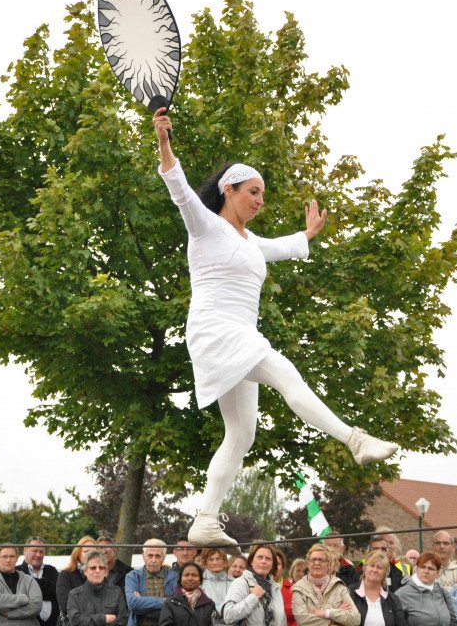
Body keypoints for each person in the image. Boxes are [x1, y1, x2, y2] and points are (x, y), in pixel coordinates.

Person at [152, 108, 399, 546]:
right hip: (217, 330)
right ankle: (354, 439)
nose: (260, 200)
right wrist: (164, 141)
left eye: (262, 193)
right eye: (254, 191)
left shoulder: (251, 242)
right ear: (229, 190)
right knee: (286, 373)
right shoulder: (206, 227)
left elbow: (282, 248)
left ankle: (205, 519)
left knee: (243, 433)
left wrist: (308, 235)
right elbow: (179, 188)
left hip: (235, 337)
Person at [291, 544, 360, 626]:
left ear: (329, 565)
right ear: (308, 564)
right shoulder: (299, 588)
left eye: (321, 560)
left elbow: (356, 619)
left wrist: (328, 613)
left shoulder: (339, 586)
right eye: (313, 560)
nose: (316, 563)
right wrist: (335, 619)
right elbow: (302, 620)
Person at [220, 543, 286, 626]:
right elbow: (228, 616)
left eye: (268, 559)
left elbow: (282, 619)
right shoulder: (241, 583)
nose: (263, 561)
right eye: (260, 557)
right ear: (251, 561)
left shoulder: (275, 587)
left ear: (272, 564)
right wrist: (253, 597)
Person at [0, 545, 42, 626]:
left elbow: (36, 605)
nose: (8, 560)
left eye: (12, 556)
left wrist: (12, 614)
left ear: (17, 558)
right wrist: (23, 598)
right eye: (4, 556)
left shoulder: (29, 580)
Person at [65, 550, 128, 626]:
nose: (97, 571)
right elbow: (75, 621)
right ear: (85, 571)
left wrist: (87, 619)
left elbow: (123, 620)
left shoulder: (116, 592)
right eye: (93, 568)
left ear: (105, 571)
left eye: (101, 567)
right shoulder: (75, 595)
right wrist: (104, 618)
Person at [394, 552, 456, 626]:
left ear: (438, 573)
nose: (426, 571)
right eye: (422, 567)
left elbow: (453, 622)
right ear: (416, 569)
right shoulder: (403, 593)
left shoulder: (443, 592)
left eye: (431, 568)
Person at [125, 540, 178, 626]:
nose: (153, 560)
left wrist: (142, 605)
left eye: (158, 556)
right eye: (150, 555)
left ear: (164, 558)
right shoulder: (132, 576)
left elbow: (175, 606)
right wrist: (165, 601)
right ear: (143, 556)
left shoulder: (174, 577)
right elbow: (133, 604)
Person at [349, 550, 406, 626]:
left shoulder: (393, 600)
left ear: (385, 573)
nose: (375, 570)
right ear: (365, 568)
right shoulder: (349, 593)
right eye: (372, 566)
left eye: (379, 568)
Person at [17, 538, 60, 626]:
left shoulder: (52, 570)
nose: (38, 554)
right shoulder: (17, 572)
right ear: (25, 550)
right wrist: (48, 587)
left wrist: (32, 591)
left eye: (41, 552)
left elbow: (57, 592)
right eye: (35, 551)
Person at [61, 538, 100, 614]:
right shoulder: (65, 575)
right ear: (77, 554)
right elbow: (65, 606)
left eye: (93, 552)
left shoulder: (100, 575)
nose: (90, 555)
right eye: (86, 552)